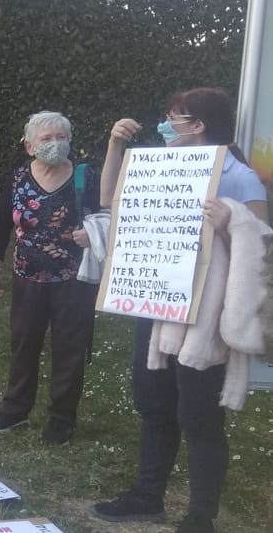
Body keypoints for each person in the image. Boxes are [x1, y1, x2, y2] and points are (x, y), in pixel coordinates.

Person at [92, 88, 267, 533]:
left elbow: (262, 249)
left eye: (173, 119)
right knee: (154, 405)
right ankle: (147, 497)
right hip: (159, 304)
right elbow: (111, 202)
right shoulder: (161, 167)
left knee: (200, 417)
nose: (166, 126)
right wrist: (115, 147)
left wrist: (232, 223)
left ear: (198, 125)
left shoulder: (240, 176)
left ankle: (199, 516)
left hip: (203, 318)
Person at [0, 110, 100, 445]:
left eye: (61, 137)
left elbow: (106, 217)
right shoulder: (19, 178)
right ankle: (15, 409)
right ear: (29, 145)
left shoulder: (84, 176)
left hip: (73, 278)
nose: (55, 144)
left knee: (69, 348)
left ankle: (62, 417)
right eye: (47, 139)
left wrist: (91, 234)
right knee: (23, 344)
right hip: (27, 276)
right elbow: (0, 226)